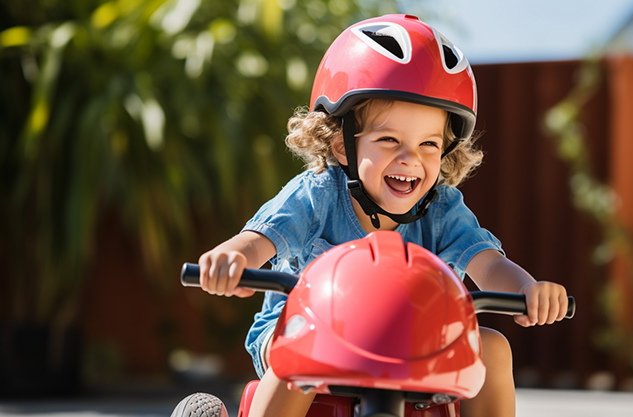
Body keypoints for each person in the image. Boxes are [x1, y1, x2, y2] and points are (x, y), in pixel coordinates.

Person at [198, 14, 569, 417]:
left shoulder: (443, 209)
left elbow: (489, 264)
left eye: (429, 143)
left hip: (413, 342)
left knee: (493, 347)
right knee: (303, 345)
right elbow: (260, 239)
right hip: (306, 335)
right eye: (390, 139)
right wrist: (234, 258)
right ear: (342, 145)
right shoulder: (318, 194)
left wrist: (527, 289)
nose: (411, 159)